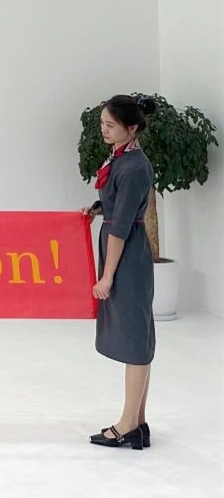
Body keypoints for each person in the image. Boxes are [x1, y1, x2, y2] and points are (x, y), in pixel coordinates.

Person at [82, 94, 157, 450]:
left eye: (111, 125)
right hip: (122, 249)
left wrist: (107, 276)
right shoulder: (122, 158)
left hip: (126, 255)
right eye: (102, 124)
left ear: (132, 128)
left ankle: (128, 424)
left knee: (135, 340)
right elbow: (119, 207)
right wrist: (100, 207)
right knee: (136, 336)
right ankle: (137, 422)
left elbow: (122, 227)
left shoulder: (134, 166)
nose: (104, 130)